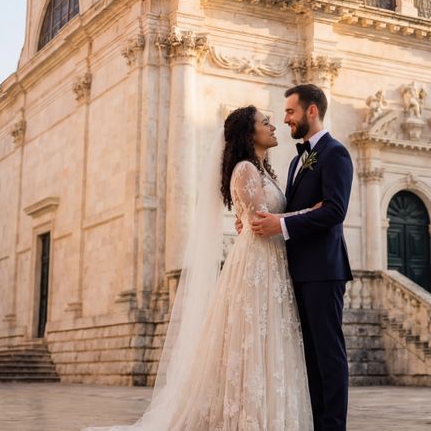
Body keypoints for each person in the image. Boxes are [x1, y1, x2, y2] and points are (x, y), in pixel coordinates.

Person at [87, 104, 321, 430]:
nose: (273, 126)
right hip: (257, 265)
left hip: (272, 264)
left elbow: (257, 217)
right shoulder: (245, 170)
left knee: (266, 342)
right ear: (248, 132)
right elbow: (257, 221)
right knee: (252, 340)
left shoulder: (263, 170)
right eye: (264, 122)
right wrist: (310, 214)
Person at [251, 84, 354, 431]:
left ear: (312, 111)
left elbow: (334, 211)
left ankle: (333, 425)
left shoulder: (336, 153)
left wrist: (282, 223)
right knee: (307, 354)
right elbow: (296, 210)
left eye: (291, 112)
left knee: (328, 353)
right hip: (295, 271)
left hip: (324, 270)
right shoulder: (297, 159)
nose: (285, 119)